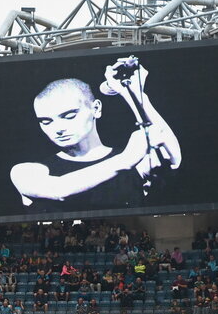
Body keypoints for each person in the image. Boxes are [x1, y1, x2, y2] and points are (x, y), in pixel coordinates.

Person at [10, 56, 181, 210]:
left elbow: (168, 147)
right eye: (46, 121)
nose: (58, 128)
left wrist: (134, 93)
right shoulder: (27, 171)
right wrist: (126, 159)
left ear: (96, 108)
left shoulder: (135, 163)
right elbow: (59, 189)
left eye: (69, 116)